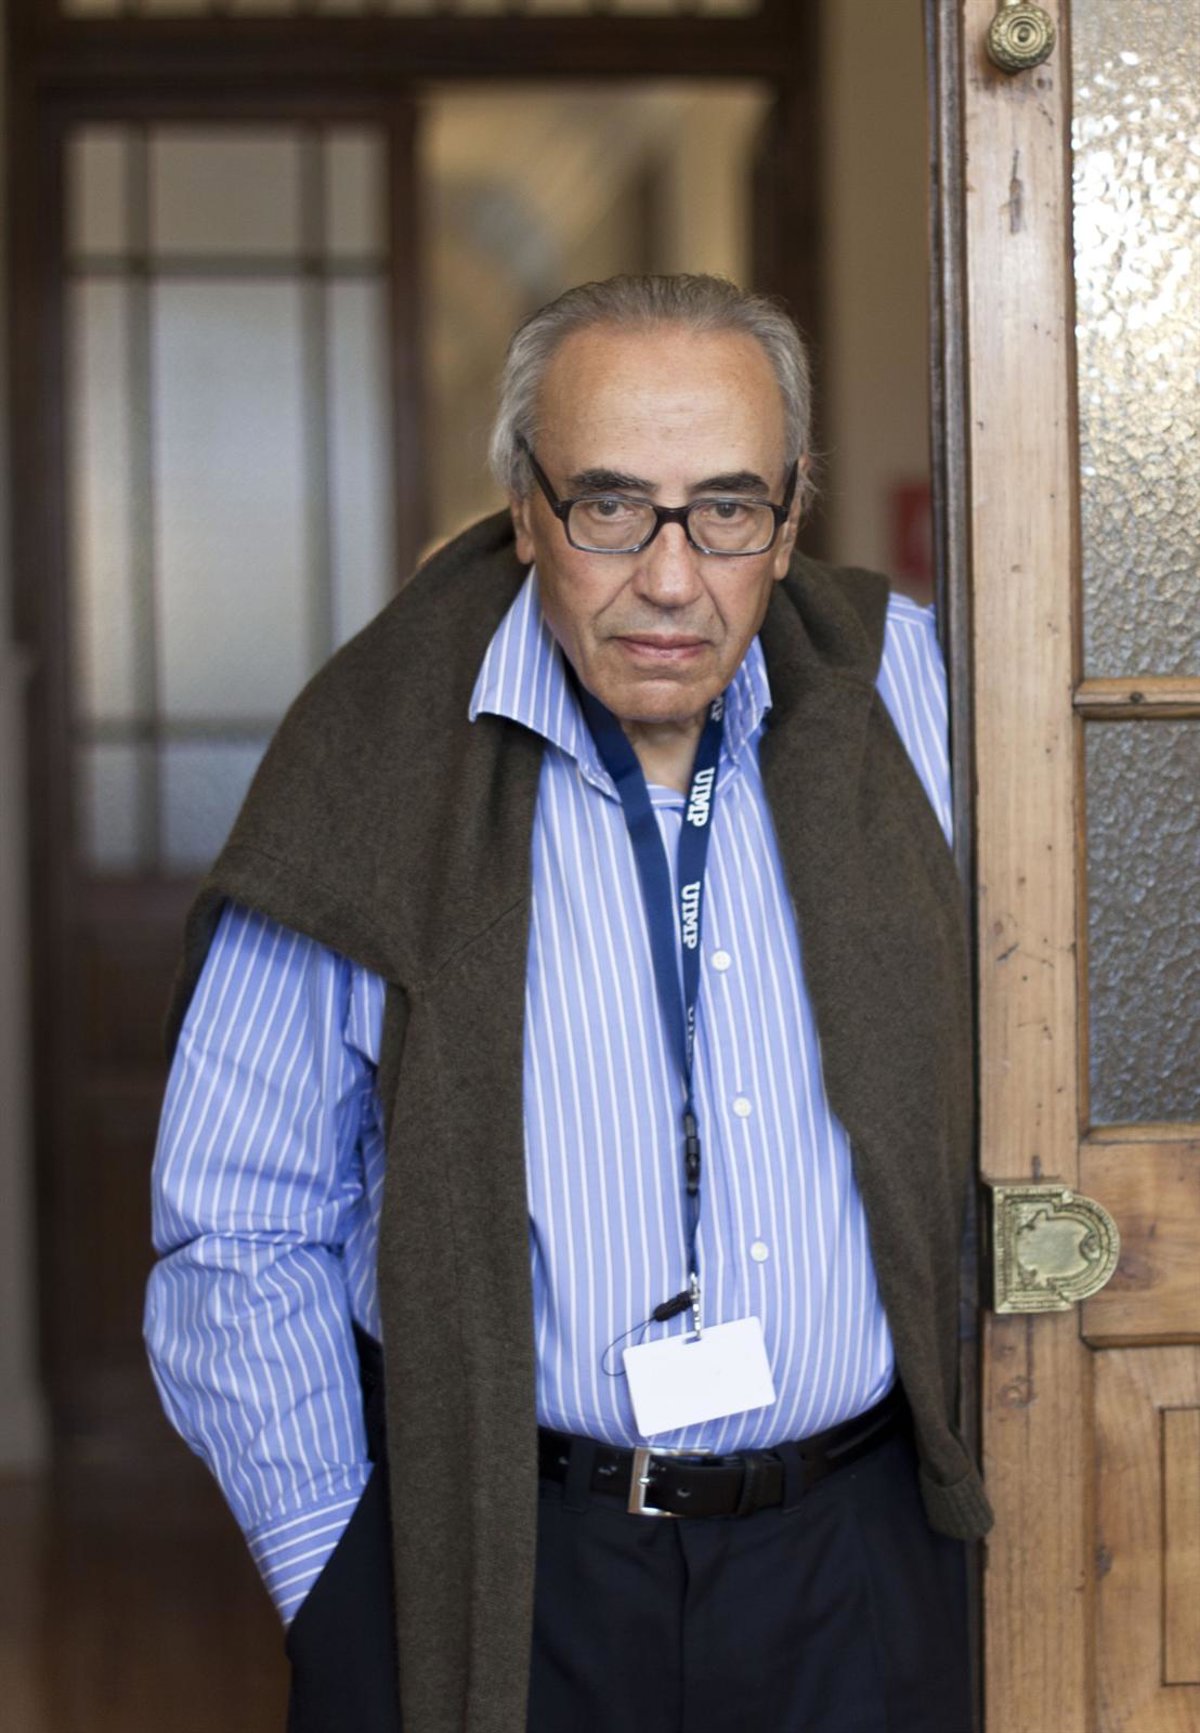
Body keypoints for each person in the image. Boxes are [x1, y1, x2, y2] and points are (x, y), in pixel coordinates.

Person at [145, 273, 991, 1733]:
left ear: (791, 518)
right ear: (524, 509)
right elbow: (238, 1222)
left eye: (727, 509)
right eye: (609, 505)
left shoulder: (913, 699)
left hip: (862, 1560)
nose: (670, 576)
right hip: (510, 1564)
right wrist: (340, 1578)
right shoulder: (372, 762)